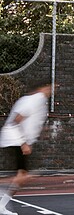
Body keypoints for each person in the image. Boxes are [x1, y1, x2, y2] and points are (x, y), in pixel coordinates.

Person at [0, 81, 51, 215]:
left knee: (22, 176)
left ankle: (2, 205)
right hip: (15, 140)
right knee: (22, 176)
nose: (50, 91)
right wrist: (24, 143)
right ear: (41, 88)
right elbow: (17, 120)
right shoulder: (35, 100)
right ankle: (1, 204)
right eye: (49, 87)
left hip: (15, 139)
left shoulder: (35, 101)